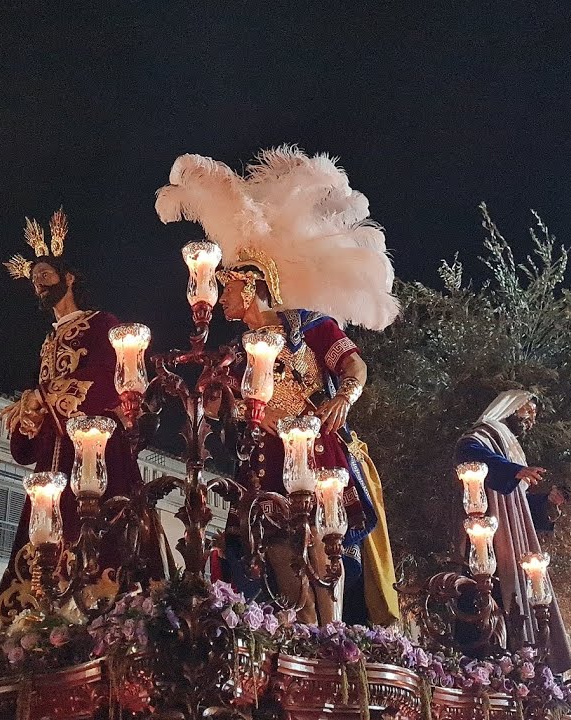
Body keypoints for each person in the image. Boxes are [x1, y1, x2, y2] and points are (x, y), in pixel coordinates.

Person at [156, 146, 400, 626]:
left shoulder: (310, 327)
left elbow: (355, 367)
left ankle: (331, 638)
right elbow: (223, 415)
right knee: (278, 557)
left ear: (250, 287)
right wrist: (209, 405)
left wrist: (343, 399)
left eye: (225, 287)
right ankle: (306, 637)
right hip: (263, 465)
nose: (220, 295)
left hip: (317, 452)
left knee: (323, 545)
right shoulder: (233, 354)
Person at [0, 209, 156, 626]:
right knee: (45, 553)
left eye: (44, 273)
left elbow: (109, 377)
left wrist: (41, 397)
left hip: (97, 453)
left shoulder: (104, 323)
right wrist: (29, 418)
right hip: (55, 462)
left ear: (68, 278)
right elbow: (44, 402)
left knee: (102, 550)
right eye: (33, 279)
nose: (38, 282)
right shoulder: (48, 341)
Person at [454, 390, 571, 670]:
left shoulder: (508, 447)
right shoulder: (484, 434)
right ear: (509, 407)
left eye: (533, 415)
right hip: (487, 532)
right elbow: (469, 452)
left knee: (519, 597)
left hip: (512, 532)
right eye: (526, 411)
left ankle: (522, 657)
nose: (530, 419)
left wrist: (547, 503)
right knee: (487, 593)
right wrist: (511, 470)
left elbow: (517, 504)